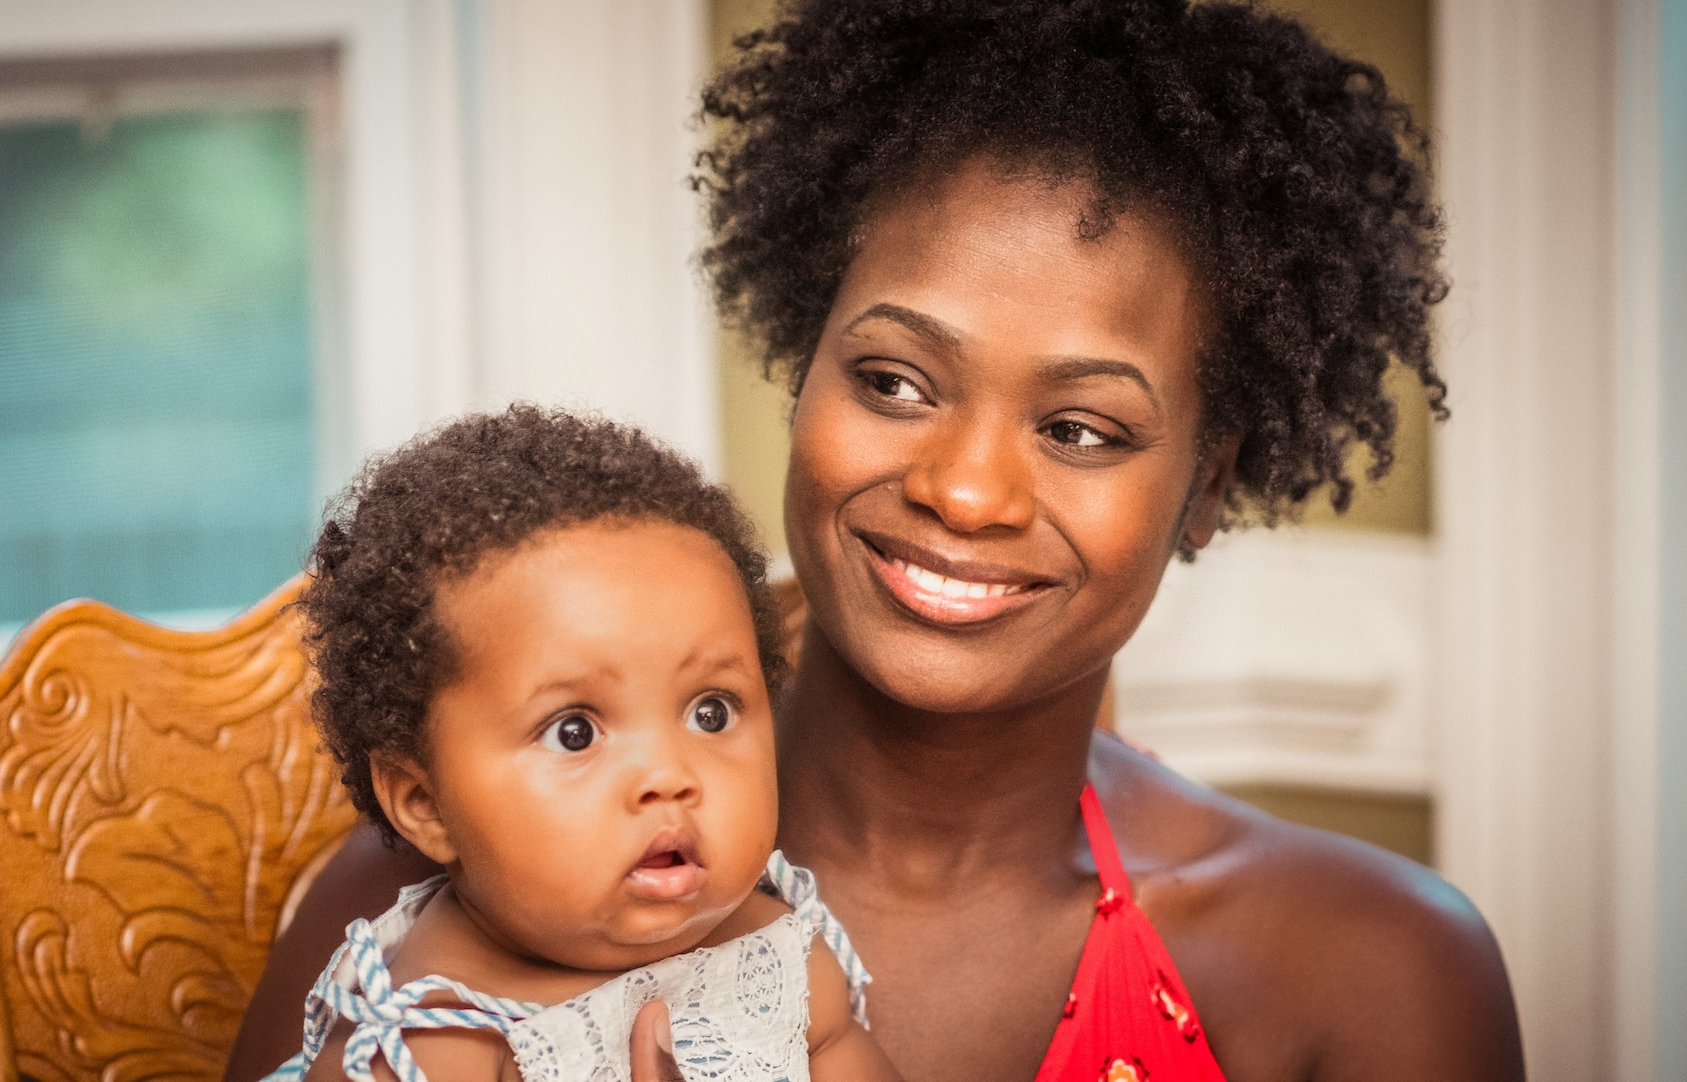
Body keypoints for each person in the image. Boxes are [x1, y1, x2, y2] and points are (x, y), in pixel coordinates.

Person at [229, 1, 1525, 1079]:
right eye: (897, 381)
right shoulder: (438, 914)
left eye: (1081, 428)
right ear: (806, 364)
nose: (965, 490)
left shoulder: (1371, 974)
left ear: (1205, 486)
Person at [275, 406, 898, 1082]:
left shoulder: (780, 962)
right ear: (425, 802)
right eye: (575, 732)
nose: (668, 774)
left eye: (711, 713)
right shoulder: (423, 1045)